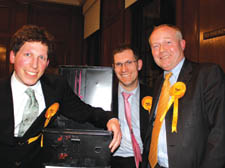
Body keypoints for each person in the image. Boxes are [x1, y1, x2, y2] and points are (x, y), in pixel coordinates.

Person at [0, 24, 122, 168]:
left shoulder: (56, 87)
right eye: (28, 55)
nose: (35, 65)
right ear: (13, 56)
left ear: (47, 63)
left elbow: (84, 111)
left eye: (41, 57)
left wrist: (110, 118)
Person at [142, 24, 225, 168]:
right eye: (155, 46)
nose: (162, 50)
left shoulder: (207, 75)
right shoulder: (158, 83)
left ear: (182, 44)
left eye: (168, 42)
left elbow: (220, 132)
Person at [111, 44, 153, 168]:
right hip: (113, 159)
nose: (124, 69)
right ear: (114, 68)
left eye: (129, 62)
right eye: (118, 64)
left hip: (144, 160)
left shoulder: (153, 95)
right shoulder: (105, 96)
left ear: (139, 65)